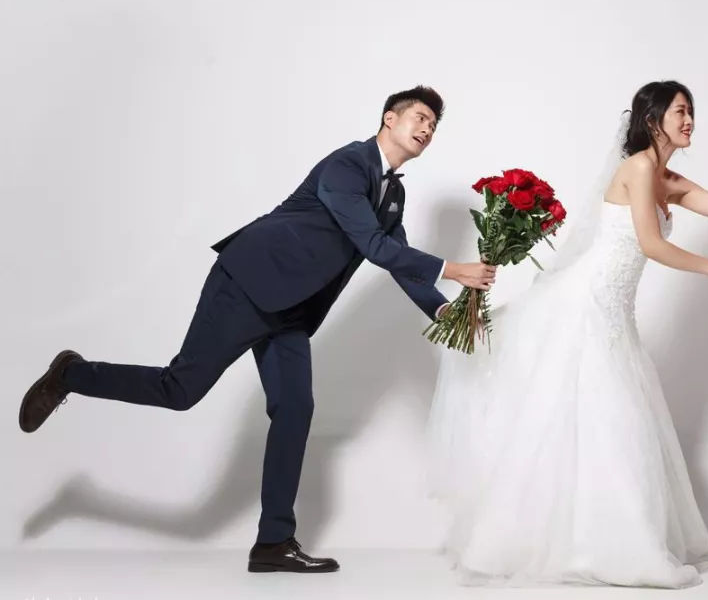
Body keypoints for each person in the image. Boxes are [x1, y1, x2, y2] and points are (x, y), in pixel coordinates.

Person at [19, 85, 496, 573]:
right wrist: (455, 269)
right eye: (420, 117)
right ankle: (70, 374)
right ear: (389, 118)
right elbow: (373, 245)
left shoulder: (393, 191)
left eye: (433, 125)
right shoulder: (347, 165)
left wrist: (445, 312)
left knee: (295, 407)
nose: (426, 129)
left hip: (292, 309)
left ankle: (273, 543)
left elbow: (400, 261)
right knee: (180, 390)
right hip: (247, 283)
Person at [426, 80, 708, 588]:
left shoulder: (667, 178)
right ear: (652, 120)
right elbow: (649, 243)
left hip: (614, 314)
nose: (690, 121)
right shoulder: (639, 168)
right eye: (681, 111)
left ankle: (603, 541)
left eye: (691, 112)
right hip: (585, 307)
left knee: (607, 420)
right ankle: (598, 547)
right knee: (599, 418)